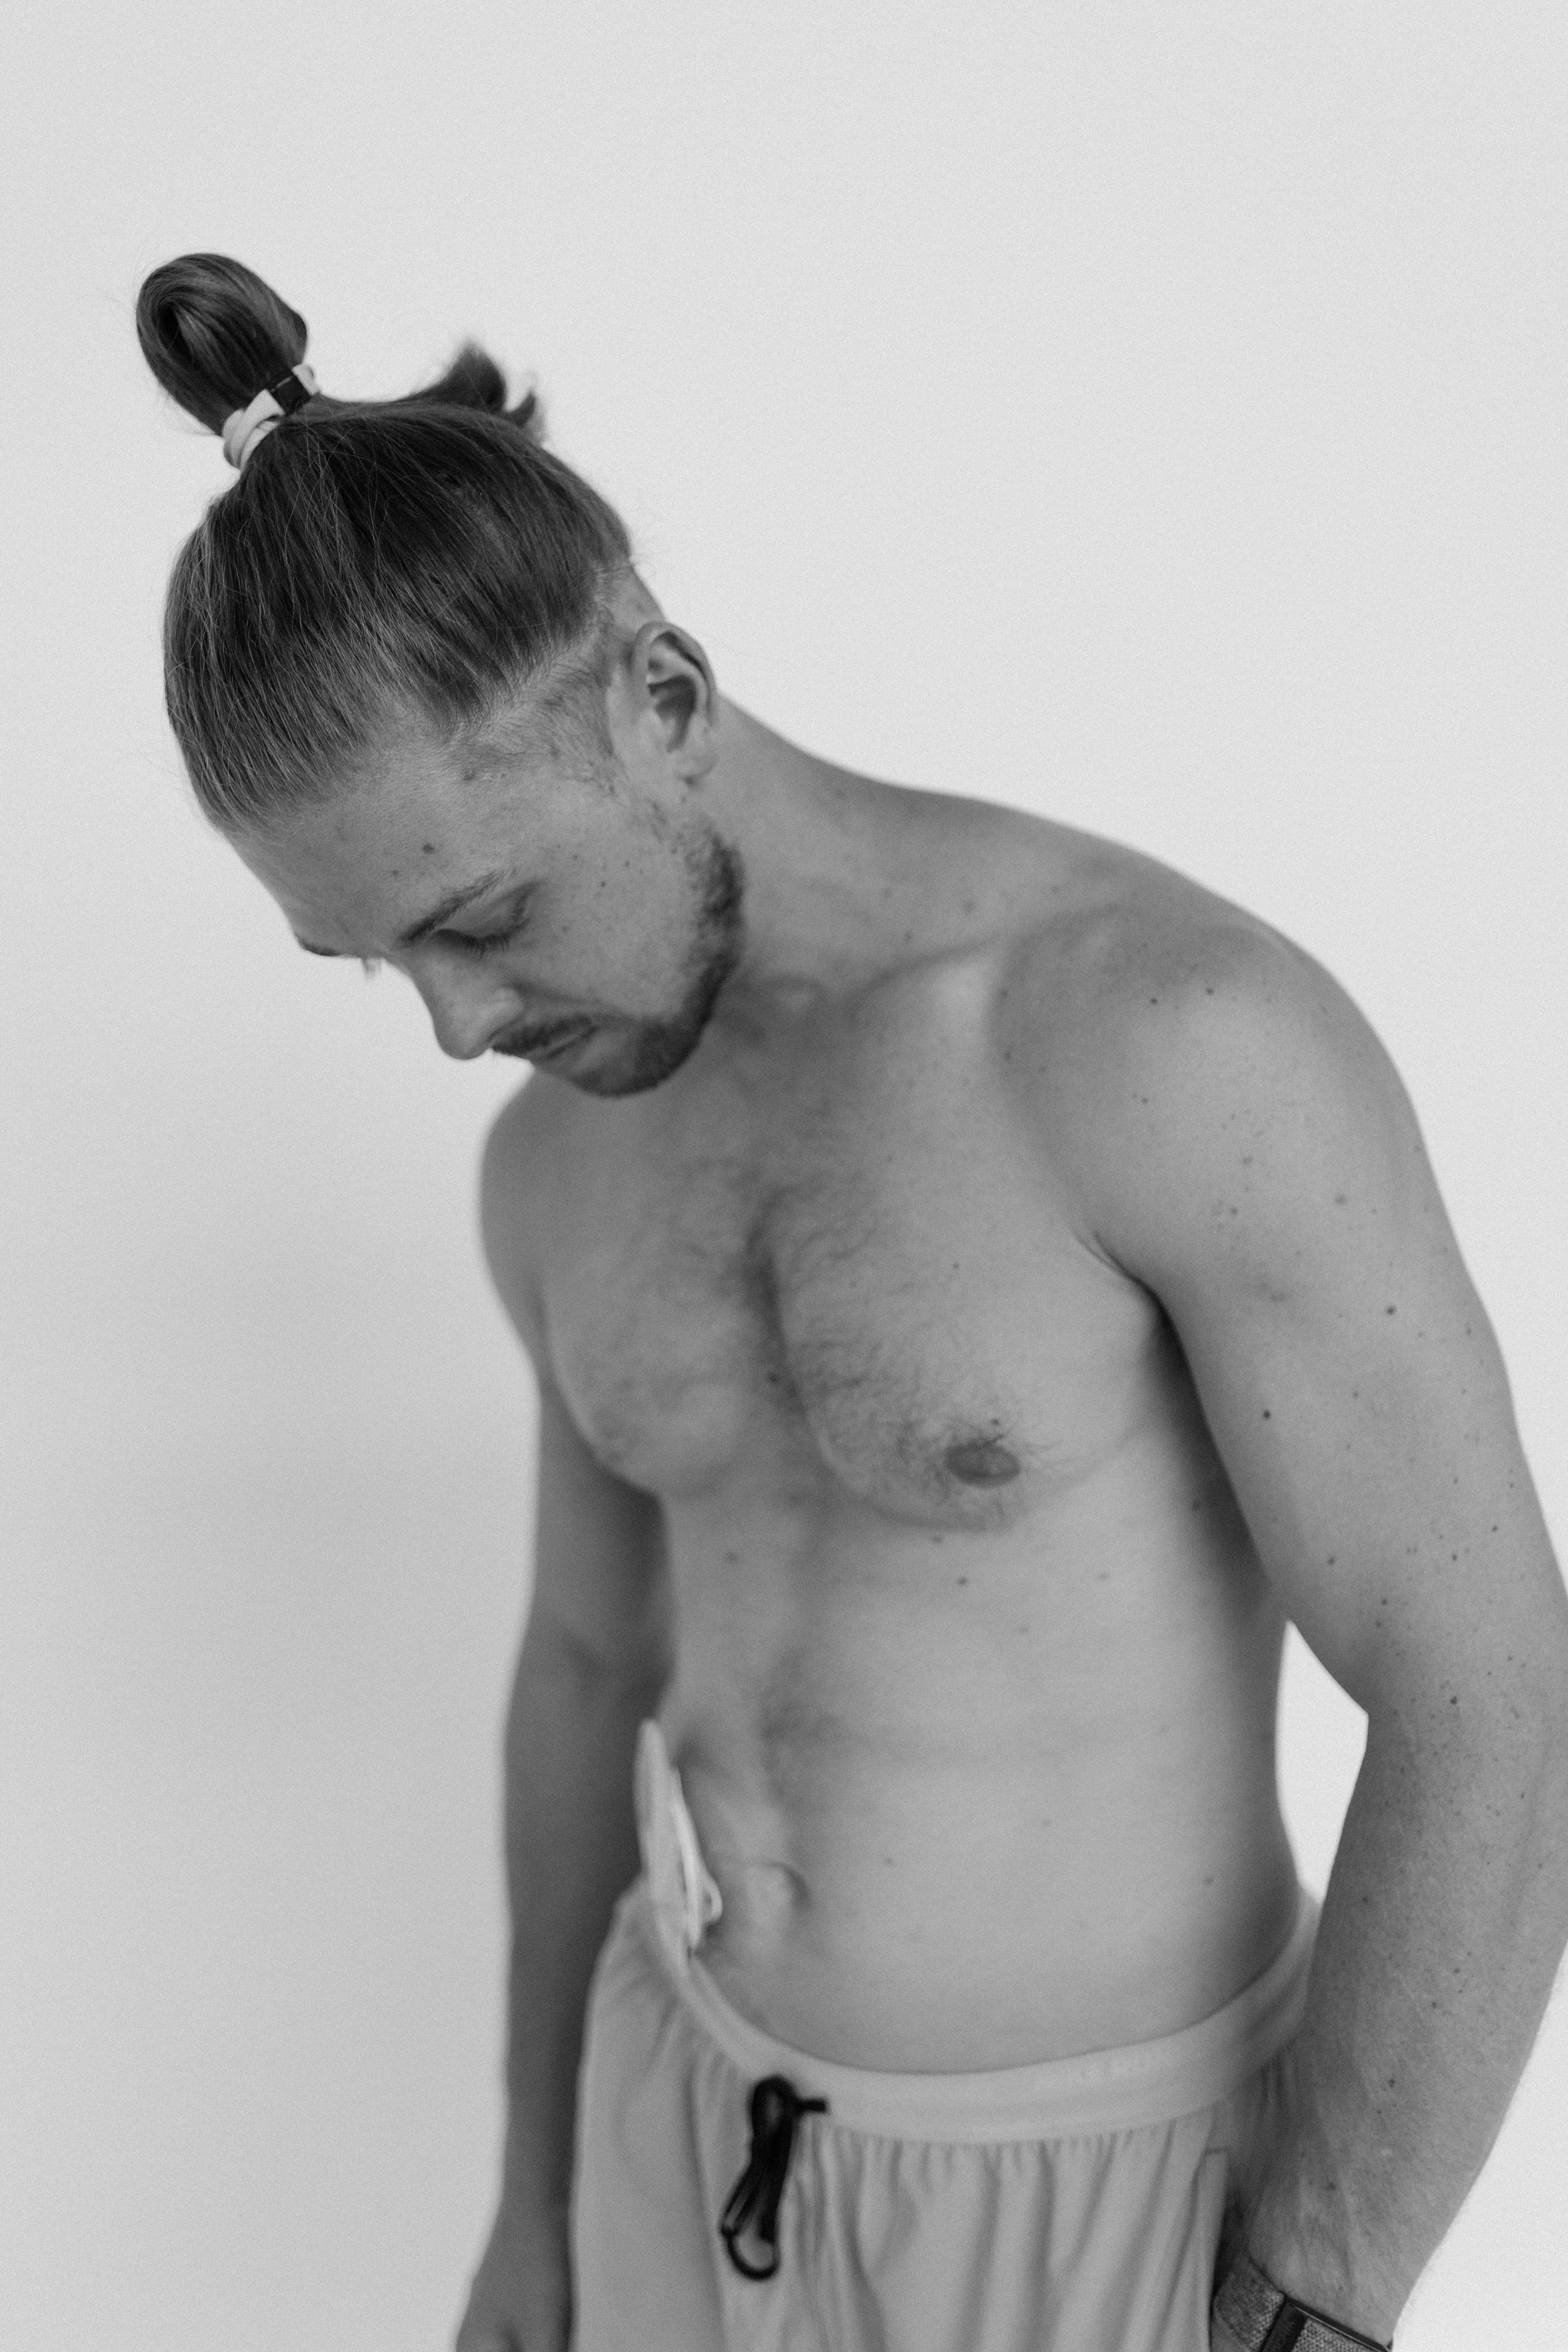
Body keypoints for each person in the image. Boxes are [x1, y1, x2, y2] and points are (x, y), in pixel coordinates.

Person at [136, 253, 1568, 2352]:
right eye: (375, 963)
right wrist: (529, 2207)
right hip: (676, 2130)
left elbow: (1491, 1688)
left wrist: (1317, 2301)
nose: (454, 1030)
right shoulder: (556, 1147)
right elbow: (576, 1665)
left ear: (665, 697)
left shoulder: (1157, 1037)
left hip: (1106, 2207)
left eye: (484, 919)